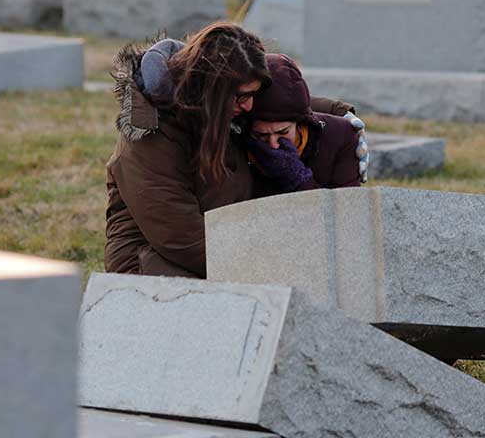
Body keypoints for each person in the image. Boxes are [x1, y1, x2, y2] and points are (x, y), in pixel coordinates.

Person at [103, 22, 362, 279]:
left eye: (253, 95)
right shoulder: (153, 135)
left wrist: (341, 116)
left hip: (224, 243)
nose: (250, 106)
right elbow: (180, 239)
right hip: (151, 262)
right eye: (242, 97)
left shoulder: (217, 101)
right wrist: (270, 269)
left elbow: (282, 95)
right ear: (213, 89)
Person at [245, 53, 368, 196]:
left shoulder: (340, 136)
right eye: (260, 135)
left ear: (299, 122)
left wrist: (298, 179)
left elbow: (347, 210)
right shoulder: (235, 142)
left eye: (283, 132)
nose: (273, 145)